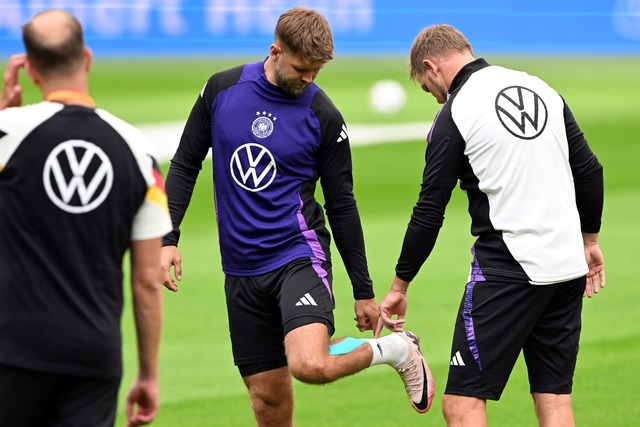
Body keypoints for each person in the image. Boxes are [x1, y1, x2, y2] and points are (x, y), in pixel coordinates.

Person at [160, 6, 434, 425]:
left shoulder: (322, 115)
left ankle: (396, 350)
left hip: (297, 257)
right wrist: (168, 237)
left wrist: (363, 290)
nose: (310, 79)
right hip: (240, 269)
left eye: (317, 71)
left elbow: (342, 204)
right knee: (267, 402)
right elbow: (184, 164)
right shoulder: (221, 91)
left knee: (310, 365)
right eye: (302, 68)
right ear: (275, 51)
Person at [376, 24, 605, 427]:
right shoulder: (540, 88)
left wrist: (400, 285)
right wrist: (590, 242)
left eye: (429, 88)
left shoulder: (456, 111)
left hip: (509, 270)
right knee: (554, 401)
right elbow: (589, 170)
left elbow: (430, 209)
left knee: (462, 403)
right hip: (568, 265)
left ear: (431, 66)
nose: (435, 96)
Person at [0, 9, 173, 427]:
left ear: (32, 71)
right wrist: (148, 374)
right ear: (88, 59)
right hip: (93, 357)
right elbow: (148, 279)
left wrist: (4, 109)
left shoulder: (6, 134)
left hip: (12, 350)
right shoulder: (137, 150)